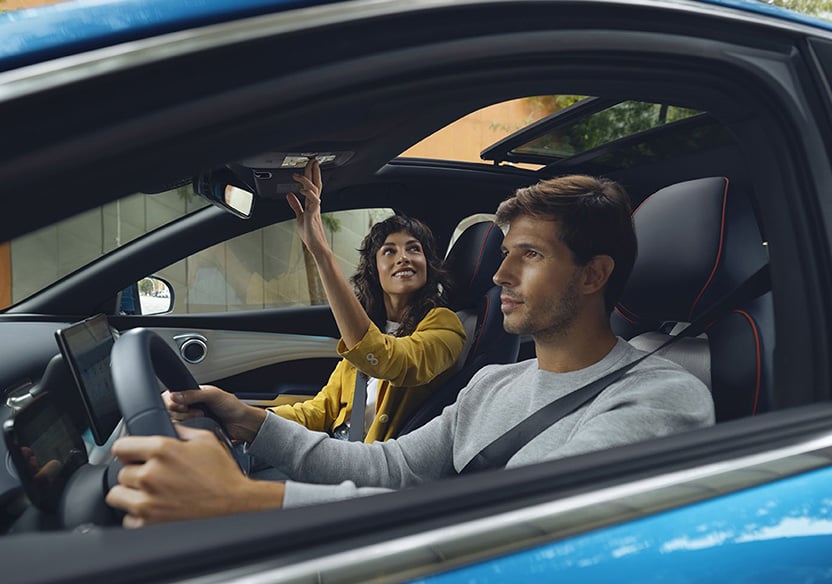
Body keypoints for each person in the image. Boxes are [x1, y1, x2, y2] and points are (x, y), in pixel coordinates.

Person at [106, 174, 715, 527]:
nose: (499, 275)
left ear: (592, 275)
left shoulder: (663, 397)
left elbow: (508, 527)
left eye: (528, 254)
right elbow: (390, 470)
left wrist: (246, 499)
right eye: (502, 254)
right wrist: (249, 420)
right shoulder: (493, 386)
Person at [169, 159, 467, 443]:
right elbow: (320, 411)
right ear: (375, 272)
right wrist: (242, 415)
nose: (403, 257)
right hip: (336, 449)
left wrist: (320, 251)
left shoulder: (445, 326)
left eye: (414, 249)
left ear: (428, 265)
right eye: (389, 251)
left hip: (372, 468)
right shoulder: (373, 326)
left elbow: (390, 361)